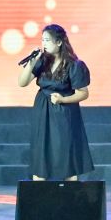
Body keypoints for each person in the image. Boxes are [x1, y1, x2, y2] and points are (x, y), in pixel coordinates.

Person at [19, 23, 92, 181]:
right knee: (41, 151)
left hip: (64, 111)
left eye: (47, 40)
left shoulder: (74, 65)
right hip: (42, 109)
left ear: (59, 42)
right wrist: (31, 62)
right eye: (42, 40)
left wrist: (62, 99)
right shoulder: (42, 61)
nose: (43, 44)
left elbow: (83, 93)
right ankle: (40, 192)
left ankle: (70, 191)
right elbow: (22, 82)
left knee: (65, 152)